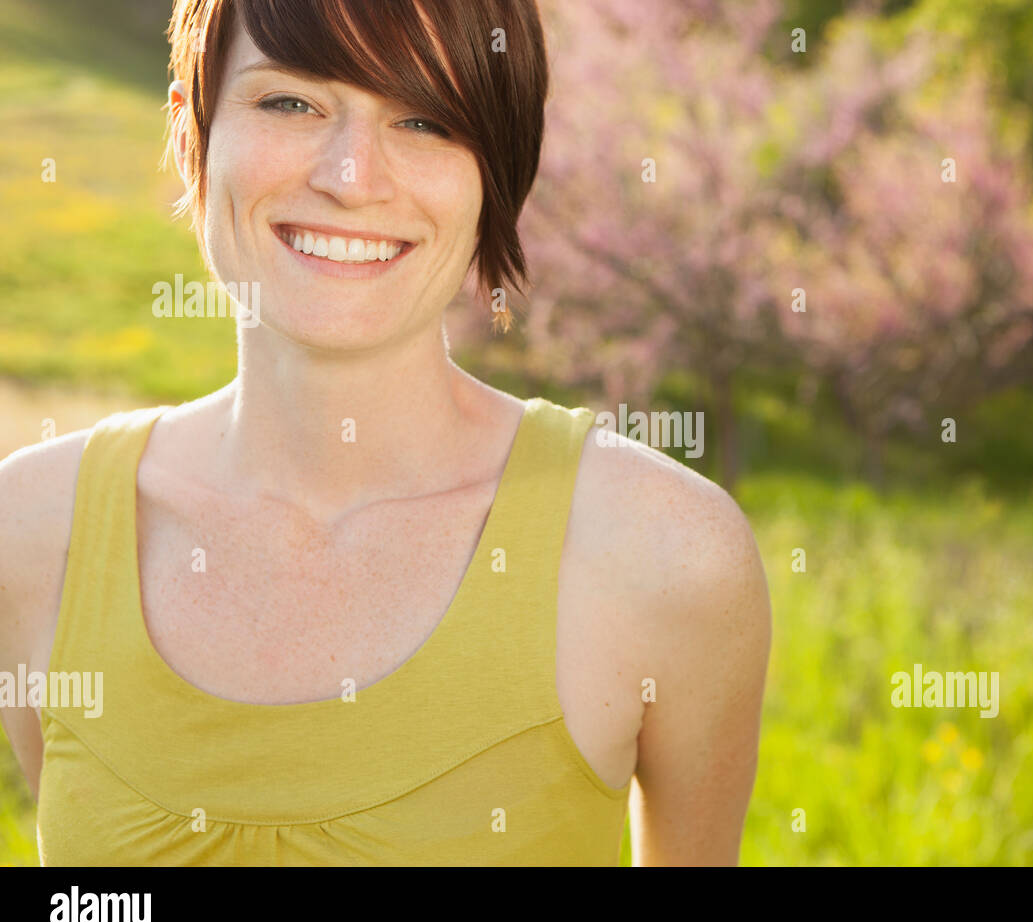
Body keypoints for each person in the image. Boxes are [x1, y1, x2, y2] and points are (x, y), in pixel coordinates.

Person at [0, 0, 770, 865]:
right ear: (192, 127)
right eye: (291, 102)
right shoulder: (30, 534)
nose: (353, 176)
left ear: (499, 170)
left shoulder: (666, 555)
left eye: (426, 118)